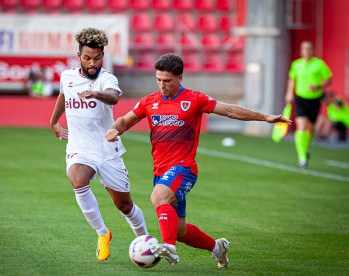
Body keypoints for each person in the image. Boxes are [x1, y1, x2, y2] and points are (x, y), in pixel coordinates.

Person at [105, 54, 291, 268]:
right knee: (180, 231)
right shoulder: (150, 101)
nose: (162, 85)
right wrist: (114, 130)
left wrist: (265, 117)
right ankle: (217, 248)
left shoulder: (194, 99)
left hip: (184, 168)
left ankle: (169, 247)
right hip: (161, 172)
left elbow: (230, 110)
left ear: (180, 78)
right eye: (158, 80)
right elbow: (125, 120)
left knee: (158, 197)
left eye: (167, 81)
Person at [49, 28, 148, 262]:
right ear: (79, 56)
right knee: (78, 179)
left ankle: (145, 241)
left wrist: (96, 94)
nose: (92, 63)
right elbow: (64, 96)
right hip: (79, 147)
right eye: (87, 58)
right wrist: (54, 121)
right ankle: (102, 233)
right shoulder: (67, 76)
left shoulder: (107, 79)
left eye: (97, 58)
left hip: (107, 149)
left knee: (124, 205)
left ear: (103, 56)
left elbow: (114, 97)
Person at [285, 41, 333, 168]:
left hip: (315, 100)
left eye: (308, 49)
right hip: (301, 98)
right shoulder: (296, 64)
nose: (306, 51)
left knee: (310, 129)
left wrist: (318, 86)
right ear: (301, 51)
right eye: (304, 49)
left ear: (313, 50)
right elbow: (292, 79)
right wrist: (289, 93)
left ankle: (306, 148)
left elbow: (329, 79)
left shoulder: (319, 64)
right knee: (301, 126)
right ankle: (302, 157)